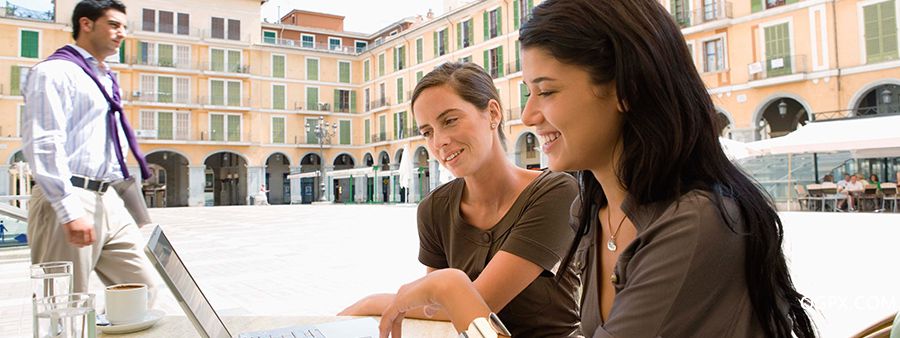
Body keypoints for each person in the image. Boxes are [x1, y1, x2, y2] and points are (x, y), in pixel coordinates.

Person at [377, 1, 817, 337]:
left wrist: (454, 289)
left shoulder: (695, 223)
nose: (528, 116)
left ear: (624, 88)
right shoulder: (596, 213)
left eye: (545, 91)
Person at [342, 62, 581, 337]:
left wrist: (373, 302)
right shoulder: (433, 209)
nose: (438, 141)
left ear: (493, 113)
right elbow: (437, 311)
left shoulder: (556, 192)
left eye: (450, 120)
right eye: (427, 132)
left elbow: (471, 302)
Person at [22, 0, 157, 301]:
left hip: (107, 197)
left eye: (124, 26)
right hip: (70, 194)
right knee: (63, 303)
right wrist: (69, 211)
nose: (121, 33)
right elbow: (44, 143)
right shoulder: (55, 72)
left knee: (143, 291)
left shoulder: (103, 77)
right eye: (113, 24)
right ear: (86, 24)